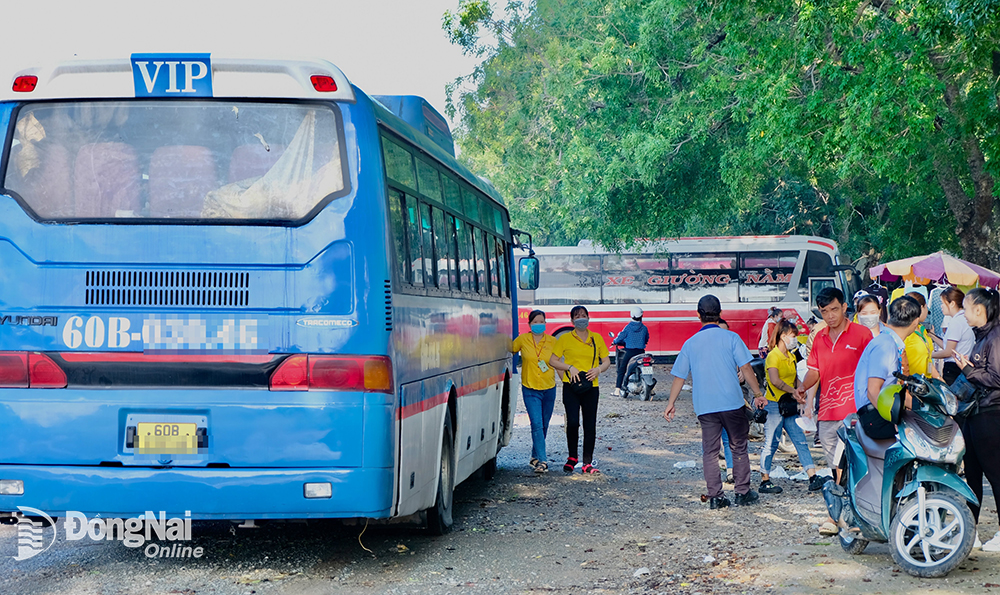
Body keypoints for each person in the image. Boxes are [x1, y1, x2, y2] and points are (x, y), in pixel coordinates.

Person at [664, 295, 765, 509]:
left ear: (698, 315)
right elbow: (746, 368)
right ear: (720, 313)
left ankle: (716, 497)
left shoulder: (690, 343)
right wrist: (757, 394)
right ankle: (742, 492)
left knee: (709, 452)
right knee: (738, 447)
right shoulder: (731, 338)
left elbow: (679, 376)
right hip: (732, 402)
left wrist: (670, 403)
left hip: (705, 407)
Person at [798, 287, 873, 535]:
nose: (829, 316)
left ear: (843, 307)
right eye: (824, 311)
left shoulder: (862, 335)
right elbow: (815, 372)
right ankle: (838, 514)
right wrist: (801, 388)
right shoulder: (819, 338)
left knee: (857, 464)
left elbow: (873, 371)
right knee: (835, 466)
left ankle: (855, 513)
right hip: (827, 413)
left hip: (856, 412)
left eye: (833, 309)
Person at [953, 288, 1000, 552]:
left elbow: (996, 378)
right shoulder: (981, 336)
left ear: (980, 310)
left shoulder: (995, 336)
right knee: (971, 473)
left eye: (967, 307)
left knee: (995, 475)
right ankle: (970, 532)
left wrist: (968, 370)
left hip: (991, 413)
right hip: (974, 412)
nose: (964, 312)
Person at [757, 319, 825, 495]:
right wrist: (794, 391)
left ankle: (812, 476)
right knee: (771, 442)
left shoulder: (791, 355)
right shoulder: (773, 356)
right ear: (783, 336)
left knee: (800, 440)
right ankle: (764, 479)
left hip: (789, 404)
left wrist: (801, 390)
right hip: (774, 404)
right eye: (793, 336)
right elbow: (775, 380)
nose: (795, 339)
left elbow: (795, 377)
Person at [550, 306, 611, 475]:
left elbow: (606, 361)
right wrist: (569, 368)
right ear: (571, 321)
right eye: (577, 317)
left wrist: (598, 370)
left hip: (592, 386)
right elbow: (552, 361)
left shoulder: (596, 338)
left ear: (589, 318)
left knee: (589, 424)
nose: (581, 319)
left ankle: (587, 462)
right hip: (571, 386)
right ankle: (572, 457)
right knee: (573, 422)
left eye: (584, 316)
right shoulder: (564, 339)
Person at [853, 295, 922, 440]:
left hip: (879, 411)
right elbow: (873, 392)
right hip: (875, 416)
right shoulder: (886, 345)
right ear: (916, 321)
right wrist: (893, 420)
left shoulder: (888, 341)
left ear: (889, 315)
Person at [511, 310, 557, 473]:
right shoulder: (523, 340)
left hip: (549, 388)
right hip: (530, 388)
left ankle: (534, 456)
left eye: (542, 321)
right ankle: (542, 461)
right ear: (530, 324)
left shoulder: (552, 341)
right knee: (536, 423)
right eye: (536, 322)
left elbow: (558, 361)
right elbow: (510, 349)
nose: (539, 324)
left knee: (544, 425)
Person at [931, 288, 975, 375]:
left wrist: (927, 355)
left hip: (954, 367)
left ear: (952, 304)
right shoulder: (963, 318)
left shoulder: (956, 322)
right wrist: (932, 335)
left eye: (943, 303)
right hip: (963, 366)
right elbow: (948, 346)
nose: (941, 306)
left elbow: (948, 352)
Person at [612, 306, 650, 397]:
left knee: (622, 369)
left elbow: (620, 337)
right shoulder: (644, 328)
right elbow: (646, 339)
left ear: (632, 316)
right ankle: (650, 390)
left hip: (630, 352)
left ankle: (617, 390)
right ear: (641, 315)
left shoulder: (628, 327)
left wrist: (614, 342)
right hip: (641, 352)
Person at [902, 291, 940, 379]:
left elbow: (927, 359)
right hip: (912, 383)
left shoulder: (922, 329)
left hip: (926, 383)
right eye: (926, 307)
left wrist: (940, 380)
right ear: (921, 308)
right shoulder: (906, 333)